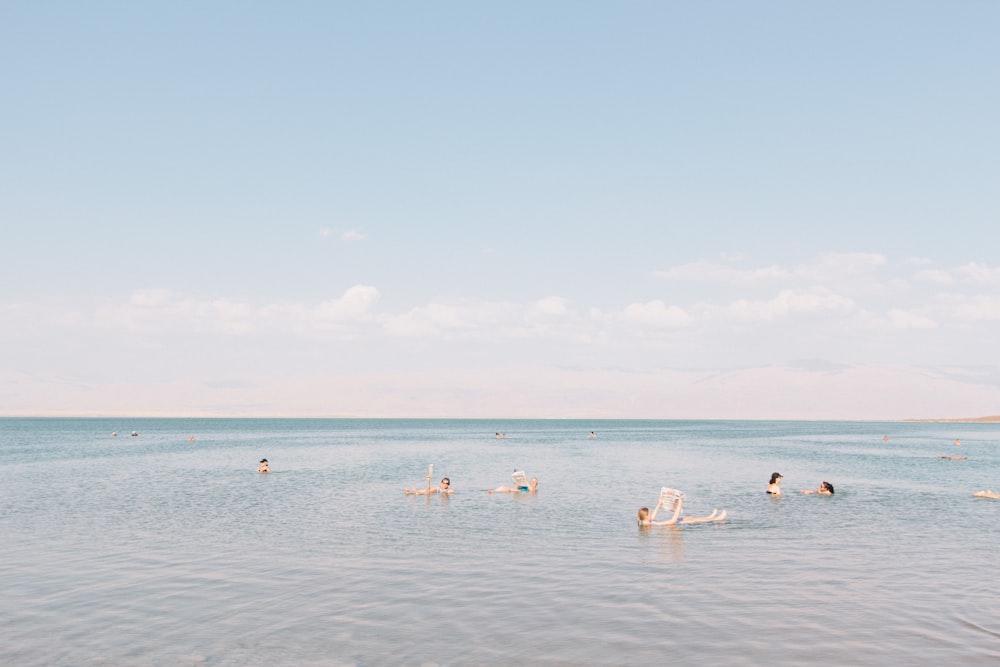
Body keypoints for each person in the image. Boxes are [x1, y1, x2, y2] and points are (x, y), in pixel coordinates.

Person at [637, 496, 727, 526]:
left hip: (675, 523)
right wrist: (679, 505)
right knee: (693, 520)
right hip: (674, 525)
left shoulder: (646, 522)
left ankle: (709, 517)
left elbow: (653, 517)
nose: (652, 514)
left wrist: (659, 504)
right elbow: (672, 521)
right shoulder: (655, 525)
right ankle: (717, 519)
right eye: (650, 513)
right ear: (646, 516)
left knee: (688, 517)